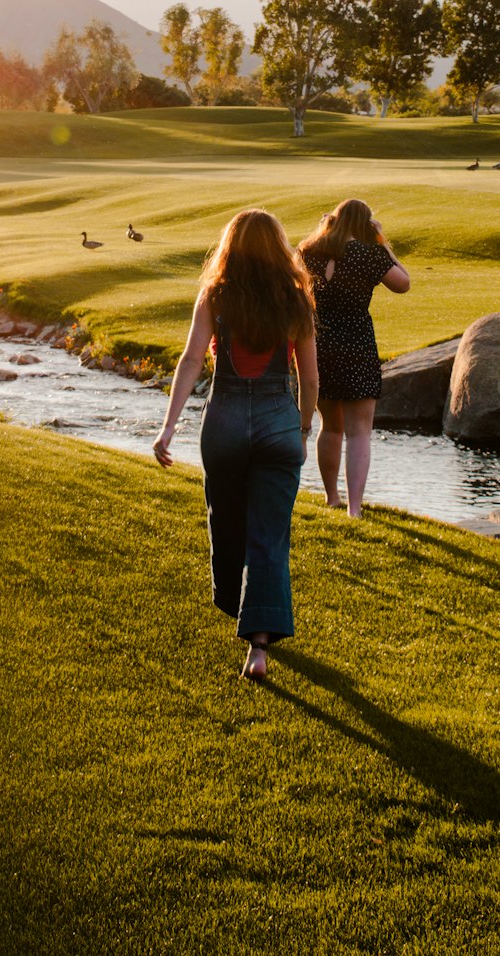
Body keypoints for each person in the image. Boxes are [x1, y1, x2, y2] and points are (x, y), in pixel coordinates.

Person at [152, 209, 318, 681]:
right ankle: (258, 646)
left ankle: (237, 605)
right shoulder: (296, 299)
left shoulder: (215, 295)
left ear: (230, 246)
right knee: (269, 533)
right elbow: (308, 377)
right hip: (277, 422)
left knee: (225, 524)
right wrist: (302, 432)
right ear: (278, 248)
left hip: (223, 421)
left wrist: (168, 429)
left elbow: (189, 361)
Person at [299, 200, 410, 517]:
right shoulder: (370, 253)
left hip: (319, 344)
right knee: (359, 431)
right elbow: (403, 282)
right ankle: (355, 508)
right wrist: (382, 242)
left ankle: (331, 497)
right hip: (357, 343)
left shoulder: (310, 251)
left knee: (330, 426)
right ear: (365, 223)